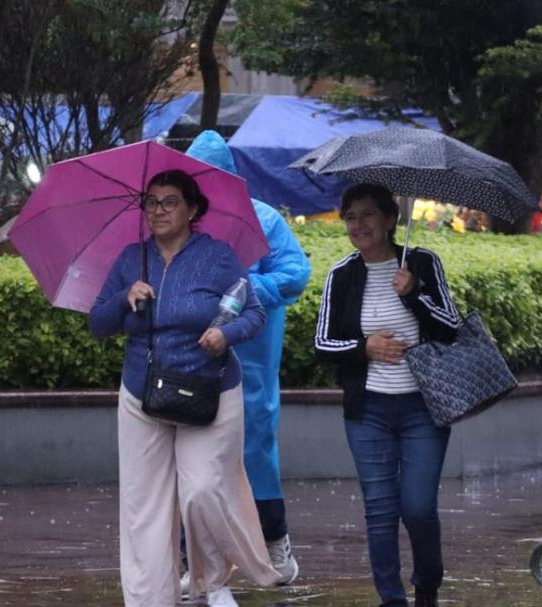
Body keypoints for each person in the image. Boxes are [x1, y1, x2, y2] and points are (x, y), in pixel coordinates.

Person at [88, 169, 279, 607]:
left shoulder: (217, 256)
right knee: (144, 507)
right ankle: (148, 598)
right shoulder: (131, 259)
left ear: (193, 210)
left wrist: (223, 337)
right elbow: (98, 324)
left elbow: (253, 313)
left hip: (210, 388)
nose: (158, 210)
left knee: (202, 490)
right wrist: (124, 298)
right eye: (151, 202)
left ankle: (214, 582)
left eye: (169, 201)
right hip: (143, 392)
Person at [314, 183, 461, 607]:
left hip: (423, 406)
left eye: (367, 215)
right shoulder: (342, 275)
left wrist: (413, 293)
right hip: (368, 411)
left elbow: (449, 328)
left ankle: (427, 588)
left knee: (417, 506)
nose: (358, 225)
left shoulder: (421, 262)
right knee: (379, 510)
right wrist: (365, 348)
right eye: (350, 217)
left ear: (390, 219)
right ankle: (391, 599)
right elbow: (323, 344)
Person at [184, 131, 310, 586]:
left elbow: (296, 271)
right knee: (194, 458)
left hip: (251, 362)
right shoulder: (182, 226)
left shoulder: (263, 220)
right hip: (195, 362)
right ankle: (194, 561)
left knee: (256, 454)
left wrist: (246, 293)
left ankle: (275, 546)